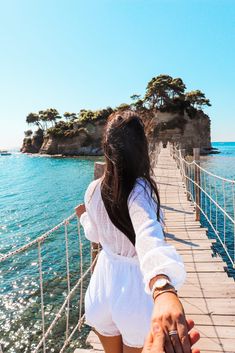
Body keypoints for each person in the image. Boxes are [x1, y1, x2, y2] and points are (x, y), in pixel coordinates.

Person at [75, 111, 200, 353]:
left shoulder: (92, 190)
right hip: (135, 292)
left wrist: (82, 218)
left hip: (101, 289)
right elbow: (147, 233)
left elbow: (95, 235)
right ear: (142, 146)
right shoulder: (140, 188)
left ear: (107, 146)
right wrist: (162, 285)